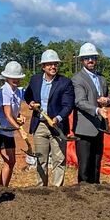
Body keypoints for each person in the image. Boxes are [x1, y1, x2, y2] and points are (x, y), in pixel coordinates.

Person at [24, 49, 75, 187]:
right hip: (39, 124)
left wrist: (58, 118)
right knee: (41, 159)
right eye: (49, 64)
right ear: (43, 66)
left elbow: (68, 105)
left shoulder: (65, 82)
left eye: (55, 64)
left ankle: (57, 190)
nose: (53, 67)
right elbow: (27, 95)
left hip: (57, 126)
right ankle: (41, 189)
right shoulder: (34, 80)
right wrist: (31, 103)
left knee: (59, 159)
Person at [72, 42, 110, 184]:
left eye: (93, 57)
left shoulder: (101, 78)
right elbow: (79, 102)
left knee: (96, 166)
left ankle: (96, 198)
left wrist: (107, 100)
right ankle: (83, 198)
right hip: (84, 129)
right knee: (84, 168)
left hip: (99, 128)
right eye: (87, 58)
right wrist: (97, 109)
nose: (90, 60)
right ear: (82, 60)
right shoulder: (78, 79)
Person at [0, 61, 27, 187]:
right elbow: (7, 114)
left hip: (8, 131)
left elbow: (13, 113)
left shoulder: (18, 92)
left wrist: (19, 116)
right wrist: (20, 129)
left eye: (18, 78)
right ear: (7, 77)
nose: (16, 80)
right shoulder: (4, 91)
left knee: (11, 161)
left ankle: (3, 187)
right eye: (13, 78)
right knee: (3, 160)